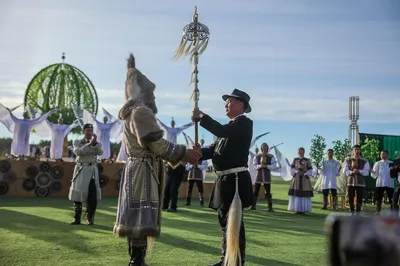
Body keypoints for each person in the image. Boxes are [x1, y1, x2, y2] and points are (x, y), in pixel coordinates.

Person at [113, 54, 201, 266]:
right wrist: (186, 153)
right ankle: (137, 262)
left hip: (137, 167)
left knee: (135, 214)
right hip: (143, 170)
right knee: (141, 215)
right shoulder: (141, 112)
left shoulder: (132, 112)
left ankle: (135, 260)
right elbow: (157, 145)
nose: (154, 98)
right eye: (151, 93)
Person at [192, 88, 253, 266]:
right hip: (225, 180)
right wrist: (197, 153)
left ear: (241, 104)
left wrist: (202, 117)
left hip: (235, 180)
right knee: (224, 220)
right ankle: (227, 258)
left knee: (235, 221)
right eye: (226, 102)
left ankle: (236, 261)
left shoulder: (243, 124)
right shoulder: (229, 129)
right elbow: (212, 150)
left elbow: (220, 130)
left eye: (230, 101)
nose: (226, 105)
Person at [68, 123, 103, 225]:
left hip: (92, 170)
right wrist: (90, 145)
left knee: (92, 194)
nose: (89, 132)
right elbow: (78, 152)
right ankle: (77, 218)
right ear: (83, 131)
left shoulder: (97, 143)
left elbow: (100, 152)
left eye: (91, 130)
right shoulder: (77, 141)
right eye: (87, 130)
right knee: (78, 193)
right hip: (81, 168)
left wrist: (94, 144)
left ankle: (89, 217)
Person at [343, 145, 370, 215]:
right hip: (350, 182)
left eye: (358, 149)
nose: (357, 151)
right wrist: (352, 172)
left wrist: (359, 171)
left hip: (360, 182)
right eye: (355, 149)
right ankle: (351, 212)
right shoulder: (348, 160)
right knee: (350, 197)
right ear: (353, 151)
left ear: (360, 150)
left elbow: (367, 172)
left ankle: (358, 213)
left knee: (359, 198)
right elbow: (345, 171)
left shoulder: (364, 161)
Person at [250, 143, 278, 211]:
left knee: (268, 192)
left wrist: (267, 166)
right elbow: (254, 166)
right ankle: (253, 206)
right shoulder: (257, 156)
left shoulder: (271, 156)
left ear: (267, 148)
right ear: (261, 148)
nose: (264, 148)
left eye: (265, 147)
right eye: (263, 147)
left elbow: (274, 165)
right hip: (259, 175)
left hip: (267, 175)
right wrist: (260, 166)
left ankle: (270, 207)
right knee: (256, 191)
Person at [288, 147, 315, 214]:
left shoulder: (307, 160)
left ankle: (303, 209)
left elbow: (310, 170)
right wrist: (296, 172)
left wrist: (305, 173)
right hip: (297, 178)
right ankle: (297, 209)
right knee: (297, 193)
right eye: (299, 151)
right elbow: (291, 169)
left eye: (301, 151)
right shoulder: (295, 160)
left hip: (304, 179)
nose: (300, 152)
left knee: (304, 194)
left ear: (304, 152)